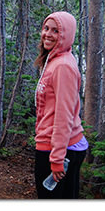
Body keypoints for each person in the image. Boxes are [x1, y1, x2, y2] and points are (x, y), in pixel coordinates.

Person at [34, 11, 88, 199]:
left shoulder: (63, 66)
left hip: (57, 149)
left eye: (56, 31)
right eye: (46, 28)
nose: (48, 34)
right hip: (56, 145)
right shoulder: (54, 60)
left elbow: (63, 116)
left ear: (66, 35)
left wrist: (57, 158)